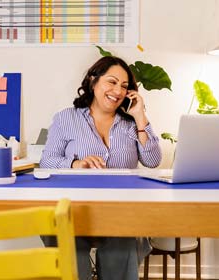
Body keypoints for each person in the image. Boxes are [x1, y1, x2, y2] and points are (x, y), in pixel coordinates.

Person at [40, 56, 162, 280]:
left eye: (124, 86)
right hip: (75, 210)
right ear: (93, 81)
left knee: (123, 241)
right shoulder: (66, 118)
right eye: (112, 82)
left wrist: (140, 117)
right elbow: (47, 162)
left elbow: (153, 160)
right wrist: (76, 164)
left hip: (120, 211)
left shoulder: (131, 122)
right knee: (67, 246)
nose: (118, 91)